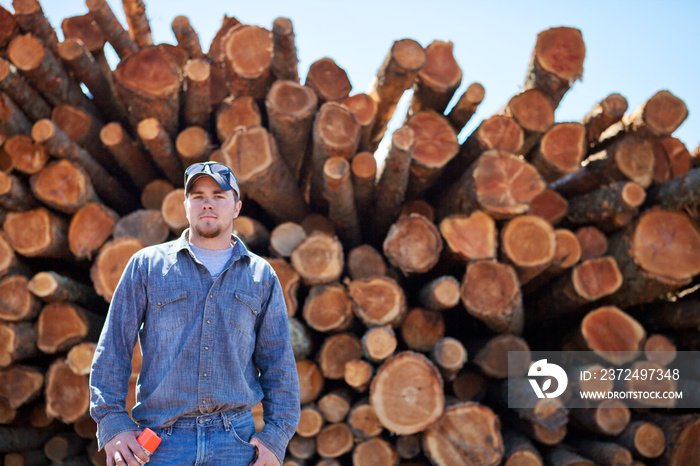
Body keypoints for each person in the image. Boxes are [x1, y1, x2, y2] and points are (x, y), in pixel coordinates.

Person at [89, 161, 300, 466]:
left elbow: (278, 362)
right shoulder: (147, 266)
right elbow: (113, 349)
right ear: (185, 205)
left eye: (219, 195)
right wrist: (111, 424)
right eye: (198, 196)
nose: (208, 204)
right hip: (160, 443)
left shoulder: (260, 275)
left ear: (237, 207)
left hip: (235, 444)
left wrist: (276, 438)